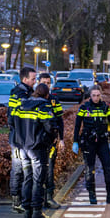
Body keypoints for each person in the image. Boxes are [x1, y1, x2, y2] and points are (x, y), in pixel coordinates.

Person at [10, 82, 57, 218]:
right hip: (37, 148)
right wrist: (50, 140)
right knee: (38, 180)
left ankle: (27, 211)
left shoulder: (21, 105)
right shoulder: (44, 106)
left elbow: (12, 122)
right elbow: (50, 126)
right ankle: (37, 212)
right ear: (47, 95)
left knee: (27, 178)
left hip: (23, 147)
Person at [74, 87, 110, 205]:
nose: (96, 98)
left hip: (102, 141)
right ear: (90, 96)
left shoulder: (105, 107)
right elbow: (77, 125)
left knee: (108, 167)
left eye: (98, 95)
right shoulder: (84, 108)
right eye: (94, 95)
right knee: (90, 169)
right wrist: (75, 141)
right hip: (89, 142)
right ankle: (92, 195)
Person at [7, 67, 37, 213]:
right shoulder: (19, 94)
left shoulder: (28, 92)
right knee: (18, 169)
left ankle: (23, 199)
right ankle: (16, 200)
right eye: (33, 79)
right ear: (25, 79)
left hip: (24, 138)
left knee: (25, 169)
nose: (35, 81)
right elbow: (12, 118)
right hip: (18, 139)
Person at [36, 72, 65, 209]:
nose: (46, 85)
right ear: (38, 82)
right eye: (44, 83)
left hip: (50, 141)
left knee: (49, 169)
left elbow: (60, 120)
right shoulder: (32, 100)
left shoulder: (54, 100)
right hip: (36, 141)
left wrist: (62, 139)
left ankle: (49, 197)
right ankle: (36, 199)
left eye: (48, 83)